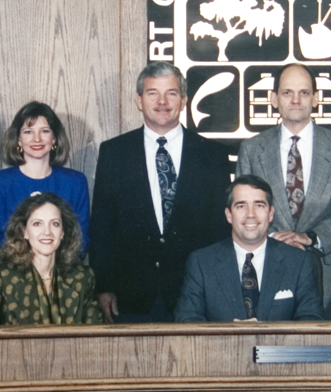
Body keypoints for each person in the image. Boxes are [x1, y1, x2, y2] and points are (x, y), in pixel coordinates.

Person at [90, 61, 231, 322]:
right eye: (153, 93)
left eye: (172, 93)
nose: (162, 101)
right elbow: (101, 226)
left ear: (184, 100)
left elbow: (219, 230)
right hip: (130, 297)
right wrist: (104, 286)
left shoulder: (213, 156)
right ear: (139, 100)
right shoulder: (114, 153)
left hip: (196, 295)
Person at [236, 63, 331, 320]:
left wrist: (311, 237)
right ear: (274, 99)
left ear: (316, 99)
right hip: (267, 266)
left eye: (304, 93)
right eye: (287, 93)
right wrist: (279, 240)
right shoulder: (252, 150)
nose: (295, 100)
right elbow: (244, 208)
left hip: (328, 271)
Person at [175, 175, 323, 322]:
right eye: (241, 206)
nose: (250, 214)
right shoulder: (201, 263)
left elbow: (311, 323)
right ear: (229, 215)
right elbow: (187, 322)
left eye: (259, 205)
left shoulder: (298, 262)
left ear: (271, 213)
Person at [0, 193, 102, 325]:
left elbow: (96, 338)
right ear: (24, 231)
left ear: (63, 232)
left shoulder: (83, 277)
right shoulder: (0, 275)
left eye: (55, 224)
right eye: (37, 224)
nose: (47, 232)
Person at [0, 101, 90, 253]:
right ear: (18, 139)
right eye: (28, 132)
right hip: (15, 271)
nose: (37, 139)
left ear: (54, 139)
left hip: (62, 271)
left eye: (45, 131)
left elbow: (82, 240)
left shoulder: (75, 182)